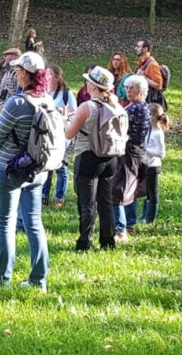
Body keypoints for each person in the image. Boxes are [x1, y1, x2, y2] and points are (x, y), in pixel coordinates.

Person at [0, 52, 54, 292]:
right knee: (34, 222)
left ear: (25, 74)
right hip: (38, 169)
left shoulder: (16, 104)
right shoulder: (48, 100)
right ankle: (39, 281)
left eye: (17, 71)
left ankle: (1, 281)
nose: (15, 74)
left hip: (9, 170)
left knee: (5, 223)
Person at [65, 66, 122, 252]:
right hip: (110, 157)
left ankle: (84, 242)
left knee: (87, 203)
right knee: (106, 202)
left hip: (88, 156)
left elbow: (69, 133)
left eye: (88, 81)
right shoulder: (115, 105)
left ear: (93, 85)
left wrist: (65, 119)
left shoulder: (87, 106)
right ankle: (108, 241)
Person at [113, 75, 151, 241]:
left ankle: (121, 227)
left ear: (141, 91)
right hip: (137, 152)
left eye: (132, 88)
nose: (128, 91)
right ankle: (130, 223)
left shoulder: (136, 109)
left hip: (129, 153)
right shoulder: (142, 107)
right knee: (130, 188)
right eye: (127, 88)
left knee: (119, 189)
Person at [42, 65, 76, 208]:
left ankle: (59, 197)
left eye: (50, 75)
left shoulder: (67, 94)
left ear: (57, 77)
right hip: (46, 133)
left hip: (62, 135)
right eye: (46, 74)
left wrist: (61, 111)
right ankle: (43, 196)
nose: (47, 77)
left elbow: (74, 113)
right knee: (47, 165)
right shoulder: (43, 92)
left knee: (61, 166)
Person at [139, 104, 169, 224]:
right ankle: (144, 215)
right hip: (146, 164)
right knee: (147, 191)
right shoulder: (148, 129)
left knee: (153, 192)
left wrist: (146, 150)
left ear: (154, 115)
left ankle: (150, 218)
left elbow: (161, 153)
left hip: (153, 166)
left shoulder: (158, 133)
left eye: (148, 114)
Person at [133, 39, 165, 105]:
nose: (135, 48)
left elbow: (159, 86)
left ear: (145, 49)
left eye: (138, 47)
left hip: (150, 101)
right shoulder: (142, 62)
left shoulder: (152, 65)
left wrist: (144, 77)